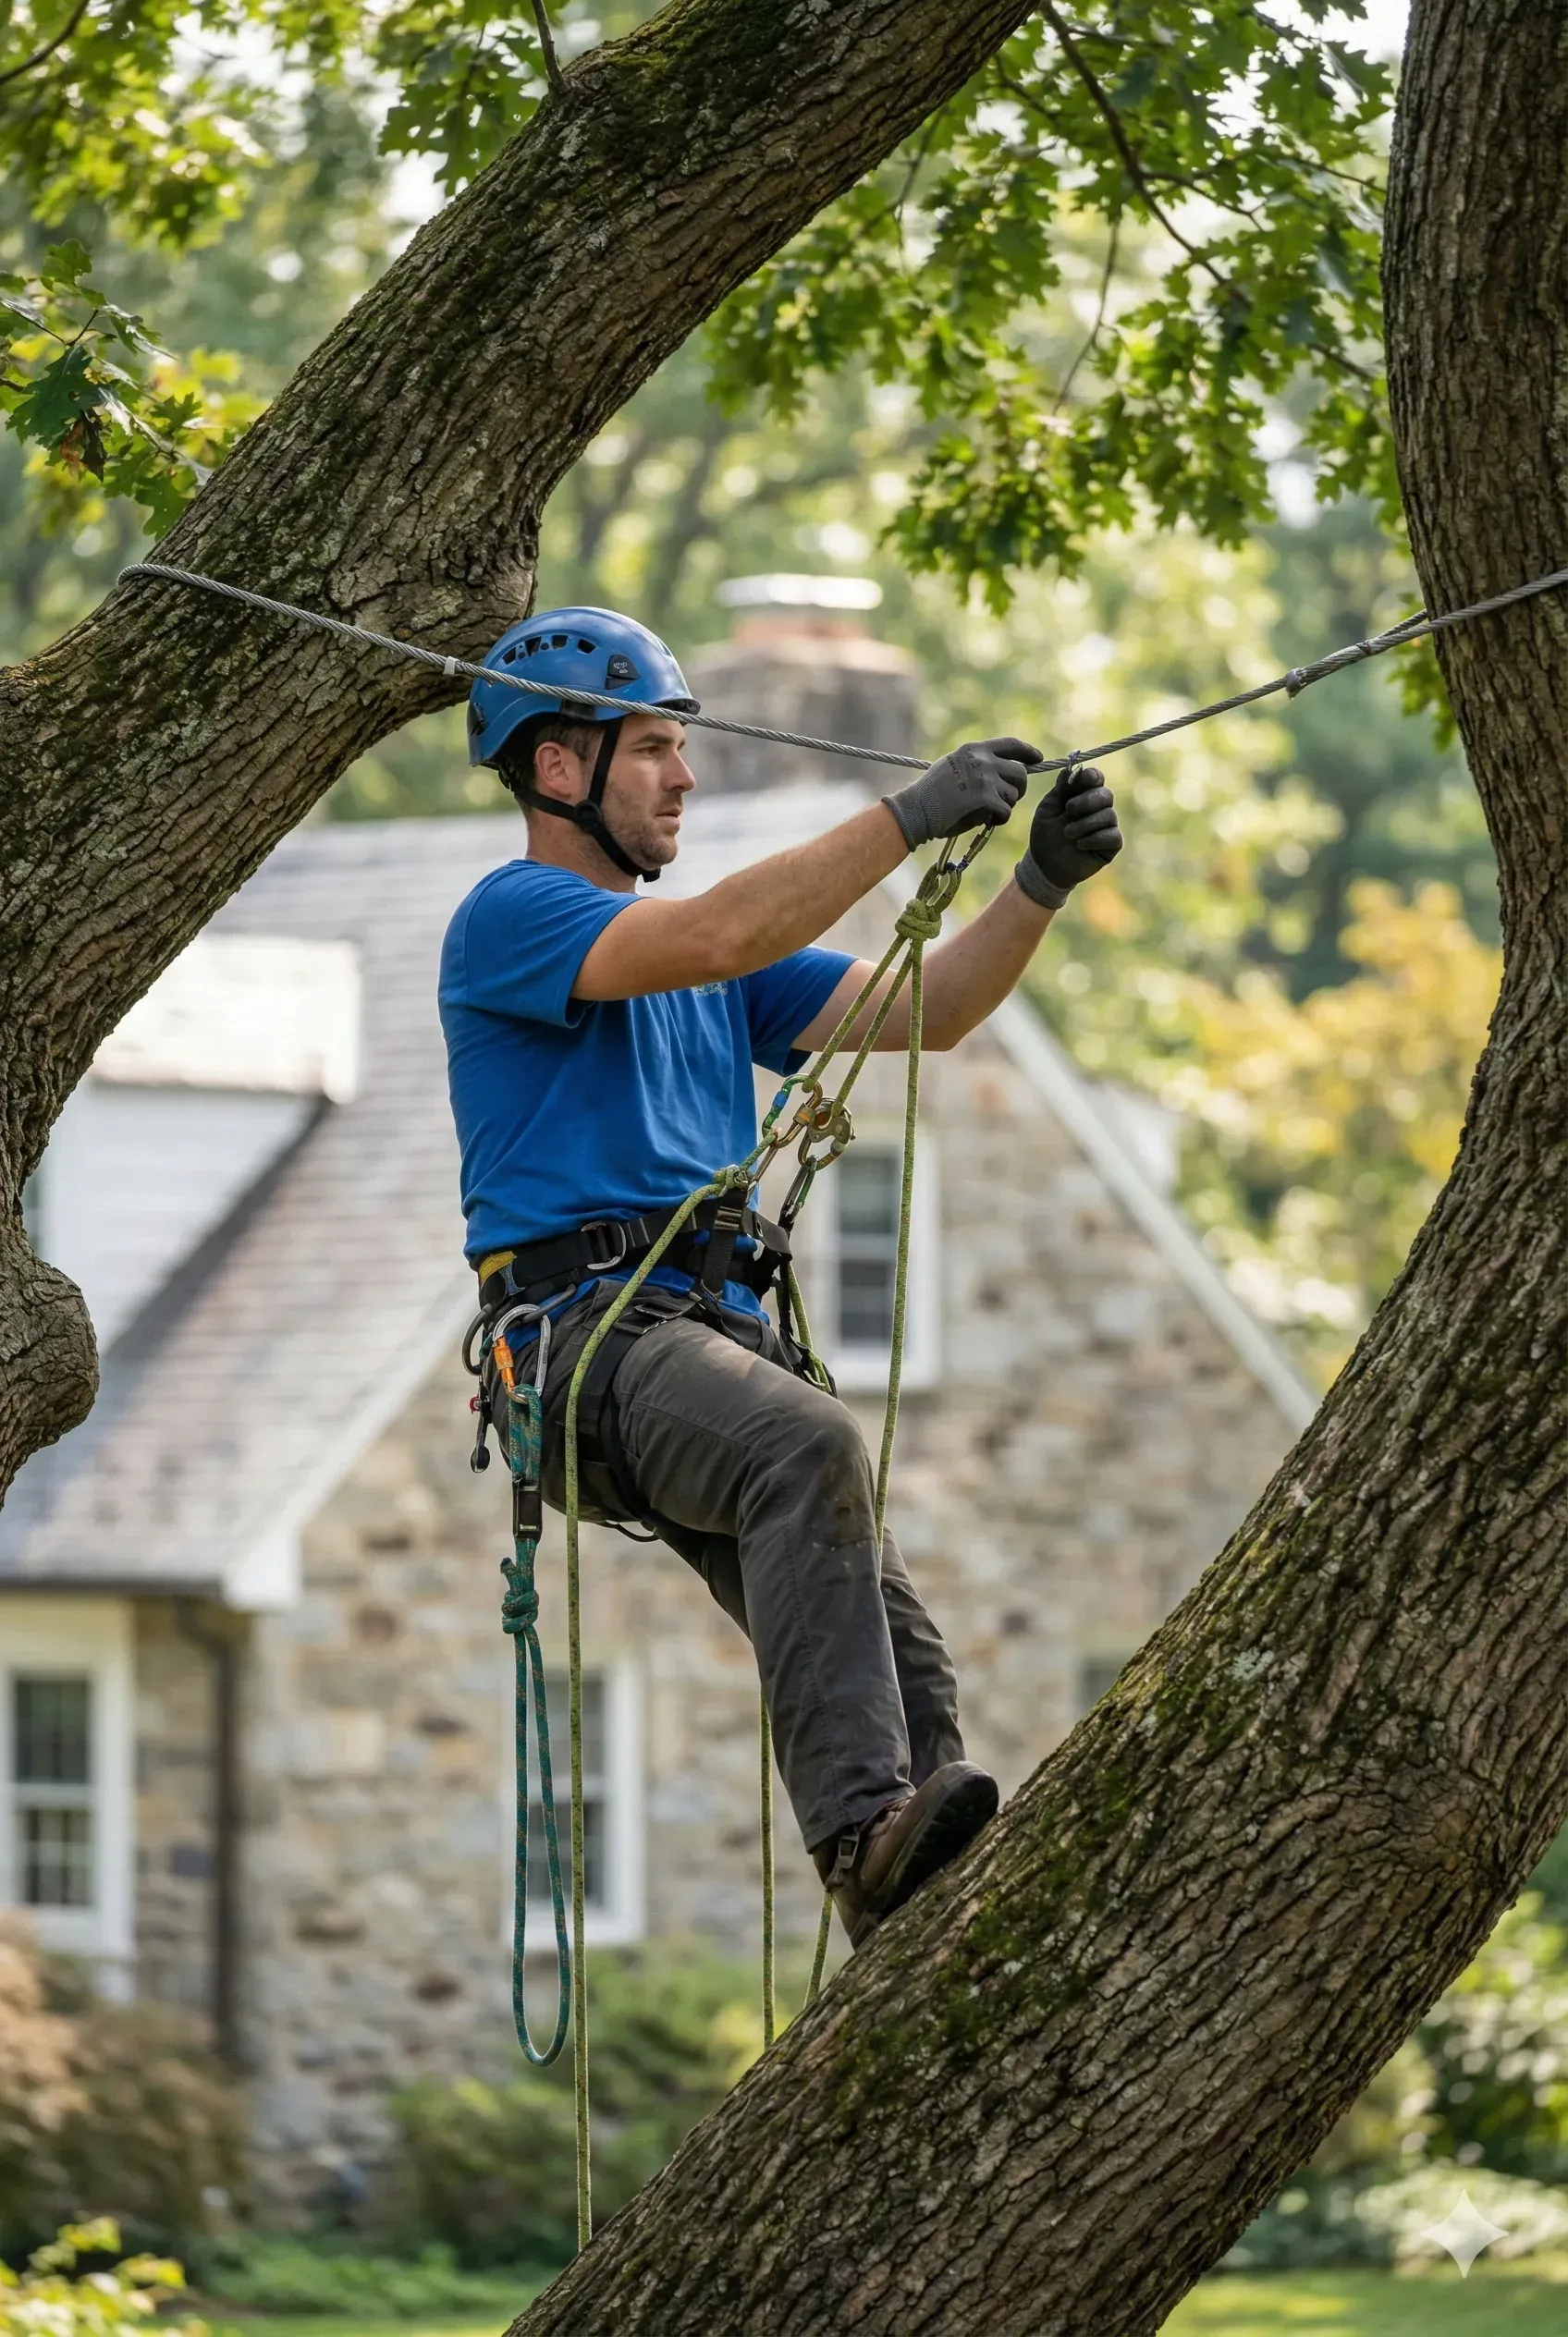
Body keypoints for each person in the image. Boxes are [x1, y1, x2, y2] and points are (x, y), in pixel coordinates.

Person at [440, 606, 1123, 1948]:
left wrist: (1034, 886)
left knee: (900, 1642)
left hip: (705, 1348)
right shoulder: (515, 918)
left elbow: (926, 1010)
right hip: (590, 1349)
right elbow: (702, 939)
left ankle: (927, 1908)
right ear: (560, 768)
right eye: (653, 749)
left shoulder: (718, 972)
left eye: (683, 747)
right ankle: (861, 1838)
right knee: (807, 1446)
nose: (685, 777)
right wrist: (907, 817)